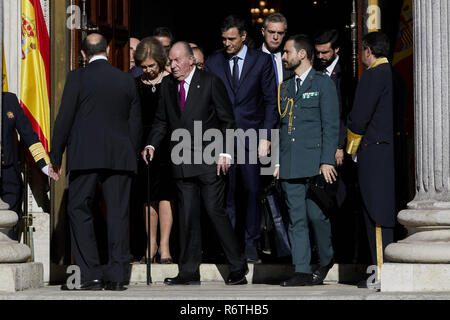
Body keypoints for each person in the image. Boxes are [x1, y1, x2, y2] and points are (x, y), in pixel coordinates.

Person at [142, 41, 248, 285]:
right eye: (170, 60)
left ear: (191, 60)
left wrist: (226, 152)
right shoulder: (168, 86)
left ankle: (238, 266)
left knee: (214, 211)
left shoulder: (210, 82)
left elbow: (227, 120)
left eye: (177, 60)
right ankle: (188, 272)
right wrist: (151, 145)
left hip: (210, 160)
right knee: (187, 217)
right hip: (181, 162)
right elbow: (161, 122)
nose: (173, 65)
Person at [50, 33, 142, 291]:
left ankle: (89, 275)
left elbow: (64, 118)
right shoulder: (126, 79)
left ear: (82, 54)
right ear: (110, 49)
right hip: (120, 156)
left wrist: (55, 156)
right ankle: (117, 276)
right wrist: (131, 154)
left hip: (85, 155)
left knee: (78, 209)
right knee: (117, 214)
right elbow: (135, 123)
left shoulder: (77, 77)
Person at [205, 15, 278, 263]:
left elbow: (270, 101)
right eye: (224, 39)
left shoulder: (262, 61)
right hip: (222, 140)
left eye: (232, 39)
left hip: (252, 137)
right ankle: (230, 249)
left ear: (244, 37)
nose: (227, 44)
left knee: (251, 191)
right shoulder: (214, 62)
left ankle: (251, 245)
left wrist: (266, 136)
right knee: (226, 196)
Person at [274, 34, 339, 286]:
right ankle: (301, 270)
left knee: (316, 216)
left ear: (301, 54)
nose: (283, 57)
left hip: (315, 163)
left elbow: (331, 125)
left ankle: (325, 258)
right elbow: (281, 126)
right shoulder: (285, 87)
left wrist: (327, 161)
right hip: (290, 163)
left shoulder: (323, 84)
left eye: (287, 52)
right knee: (296, 218)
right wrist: (278, 162)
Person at [346, 32, 396, 288]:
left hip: (373, 153)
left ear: (367, 50)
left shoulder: (373, 76)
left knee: (375, 214)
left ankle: (381, 275)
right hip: (388, 152)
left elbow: (358, 118)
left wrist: (350, 148)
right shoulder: (394, 75)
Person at [133, 37, 173, 264]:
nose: (148, 70)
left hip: (168, 145)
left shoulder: (171, 82)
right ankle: (151, 244)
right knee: (148, 197)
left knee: (166, 196)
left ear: (160, 61)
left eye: (152, 66)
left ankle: (165, 246)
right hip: (144, 146)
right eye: (144, 66)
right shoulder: (136, 84)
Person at [1, 92, 50, 240]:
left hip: (8, 175)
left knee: (9, 233)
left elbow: (28, 134)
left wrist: (44, 164)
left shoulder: (9, 100)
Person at [260, 13, 294, 84]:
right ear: (263, 32)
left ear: (284, 34)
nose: (275, 37)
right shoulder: (251, 58)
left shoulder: (290, 59)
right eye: (271, 32)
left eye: (280, 33)